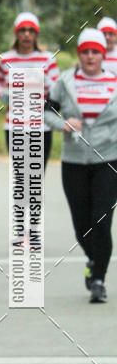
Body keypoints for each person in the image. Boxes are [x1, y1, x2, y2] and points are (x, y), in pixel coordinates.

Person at [45, 28, 117, 303]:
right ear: (79, 54)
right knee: (81, 225)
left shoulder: (114, 81)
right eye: (85, 51)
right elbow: (45, 109)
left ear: (103, 54)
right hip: (74, 160)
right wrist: (62, 124)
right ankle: (93, 258)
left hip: (108, 160)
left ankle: (98, 278)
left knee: (102, 219)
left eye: (95, 52)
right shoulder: (65, 81)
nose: (90, 56)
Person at [0, 11, 59, 169]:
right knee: (21, 177)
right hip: (14, 126)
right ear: (16, 33)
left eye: (31, 30)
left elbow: (58, 90)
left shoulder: (48, 59)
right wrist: (3, 94)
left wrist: (44, 81)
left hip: (41, 126)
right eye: (22, 30)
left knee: (36, 178)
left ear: (36, 34)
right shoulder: (5, 59)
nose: (26, 35)